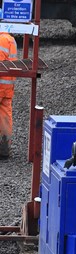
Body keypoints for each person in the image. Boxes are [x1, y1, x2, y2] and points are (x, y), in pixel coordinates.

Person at [0, 30, 18, 159]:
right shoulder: (11, 39)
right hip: (7, 86)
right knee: (5, 116)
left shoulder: (1, 40)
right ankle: (4, 148)